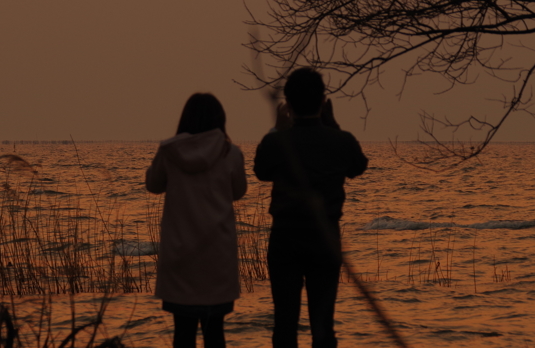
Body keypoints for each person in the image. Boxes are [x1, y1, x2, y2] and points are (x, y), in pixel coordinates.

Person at [254, 68, 368, 348]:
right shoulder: (340, 141)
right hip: (325, 238)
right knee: (323, 325)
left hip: (285, 238)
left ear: (288, 104)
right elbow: (358, 166)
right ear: (323, 101)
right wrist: (332, 124)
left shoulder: (276, 142)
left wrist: (277, 130)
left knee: (284, 324)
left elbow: (261, 170)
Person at [146, 93, 248, 348]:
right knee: (216, 334)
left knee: (183, 334)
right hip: (218, 258)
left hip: (180, 257)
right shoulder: (231, 153)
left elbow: (153, 184)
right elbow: (238, 192)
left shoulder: (170, 151)